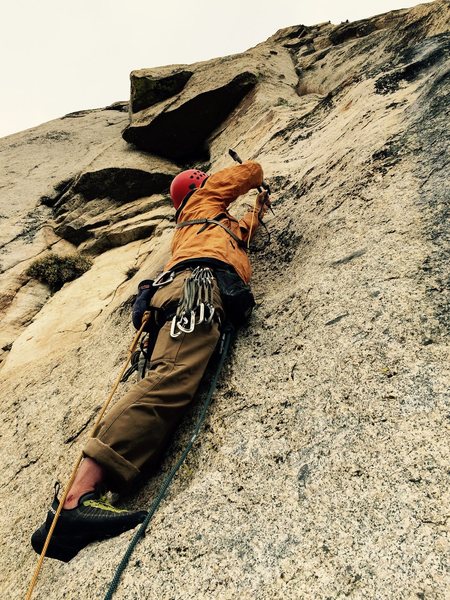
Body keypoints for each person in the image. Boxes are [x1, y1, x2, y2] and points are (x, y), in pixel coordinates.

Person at [31, 160, 270, 562]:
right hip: (196, 289)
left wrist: (259, 207)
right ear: (198, 188)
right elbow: (249, 171)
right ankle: (72, 502)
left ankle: (86, 504)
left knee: (172, 381)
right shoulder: (203, 201)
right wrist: (256, 180)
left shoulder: (207, 224)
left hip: (188, 290)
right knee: (169, 379)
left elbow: (242, 230)